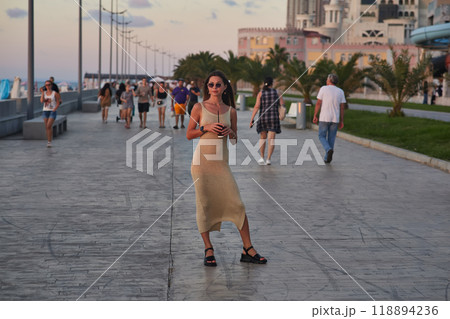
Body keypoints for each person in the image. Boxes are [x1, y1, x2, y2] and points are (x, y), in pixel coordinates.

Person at [186, 70, 267, 267]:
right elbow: (189, 134)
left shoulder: (230, 111)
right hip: (201, 165)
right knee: (204, 204)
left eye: (218, 84)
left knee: (237, 204)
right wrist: (206, 128)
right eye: (211, 84)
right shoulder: (199, 107)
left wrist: (230, 131)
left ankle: (247, 249)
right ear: (207, 87)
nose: (214, 88)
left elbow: (234, 140)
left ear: (224, 87)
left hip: (221, 164)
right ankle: (208, 249)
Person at [249, 77, 284, 165]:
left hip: (263, 118)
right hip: (274, 118)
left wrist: (252, 119)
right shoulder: (277, 92)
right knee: (271, 139)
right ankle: (268, 159)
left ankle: (261, 157)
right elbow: (282, 104)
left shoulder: (261, 93)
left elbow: (257, 106)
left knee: (262, 138)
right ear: (272, 84)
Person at [313, 74, 346, 164]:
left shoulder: (323, 88)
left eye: (327, 79)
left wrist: (315, 115)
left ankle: (328, 150)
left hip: (324, 117)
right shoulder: (340, 91)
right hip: (335, 118)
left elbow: (318, 103)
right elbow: (342, 107)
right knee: (331, 138)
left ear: (329, 80)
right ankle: (328, 157)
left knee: (321, 136)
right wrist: (342, 120)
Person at [40, 80, 61, 148]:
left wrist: (54, 109)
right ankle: (49, 141)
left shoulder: (55, 93)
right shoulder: (45, 93)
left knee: (49, 126)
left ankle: (49, 141)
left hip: (52, 111)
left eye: (49, 85)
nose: (47, 86)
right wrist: (43, 92)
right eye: (46, 85)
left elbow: (58, 103)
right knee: (47, 127)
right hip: (45, 111)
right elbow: (41, 101)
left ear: (51, 85)